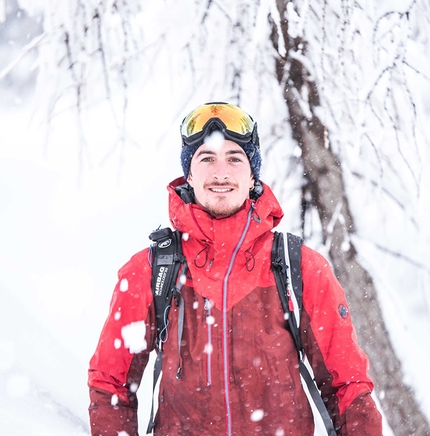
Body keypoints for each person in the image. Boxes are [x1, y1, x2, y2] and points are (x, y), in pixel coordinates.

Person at [88, 101, 382, 436]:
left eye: (234, 158)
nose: (221, 173)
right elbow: (109, 384)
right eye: (207, 159)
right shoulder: (152, 270)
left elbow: (350, 387)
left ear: (252, 171)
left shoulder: (298, 267)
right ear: (190, 173)